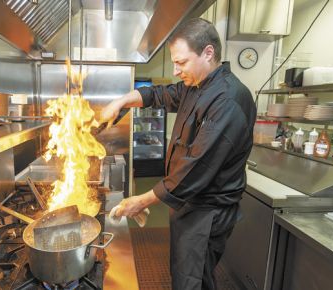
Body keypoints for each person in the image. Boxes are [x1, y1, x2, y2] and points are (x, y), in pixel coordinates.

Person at [100, 18, 257, 290]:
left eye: (181, 62)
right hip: (188, 205)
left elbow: (197, 167)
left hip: (207, 211)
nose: (175, 70)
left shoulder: (228, 99)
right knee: (185, 272)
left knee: (191, 280)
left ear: (208, 53)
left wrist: (143, 201)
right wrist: (122, 101)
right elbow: (159, 95)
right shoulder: (196, 86)